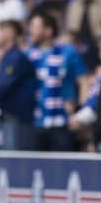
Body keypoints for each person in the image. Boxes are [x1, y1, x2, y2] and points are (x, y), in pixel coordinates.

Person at [26, 13, 87, 151]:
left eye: (35, 27)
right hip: (36, 121)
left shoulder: (68, 51)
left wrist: (81, 112)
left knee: (62, 165)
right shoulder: (28, 54)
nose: (30, 31)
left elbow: (83, 80)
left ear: (48, 31)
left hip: (63, 120)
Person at [0, 20, 37, 150]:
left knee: (13, 153)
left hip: (16, 114)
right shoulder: (8, 56)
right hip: (9, 113)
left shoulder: (15, 57)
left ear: (10, 33)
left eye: (1, 30)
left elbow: (6, 85)